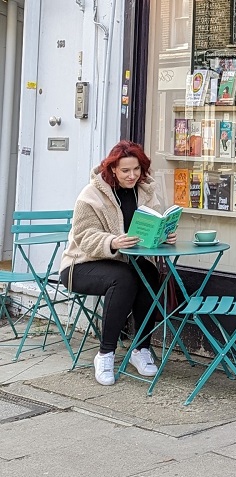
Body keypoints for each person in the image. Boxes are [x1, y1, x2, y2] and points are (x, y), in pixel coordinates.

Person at [59, 141, 177, 386]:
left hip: (126, 263)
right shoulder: (91, 195)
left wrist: (164, 235)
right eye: (125, 171)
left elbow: (150, 226)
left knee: (148, 273)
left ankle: (140, 349)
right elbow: (83, 236)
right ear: (113, 170)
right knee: (124, 278)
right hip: (81, 264)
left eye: (136, 169)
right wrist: (113, 241)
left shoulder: (145, 191)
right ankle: (105, 354)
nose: (132, 175)